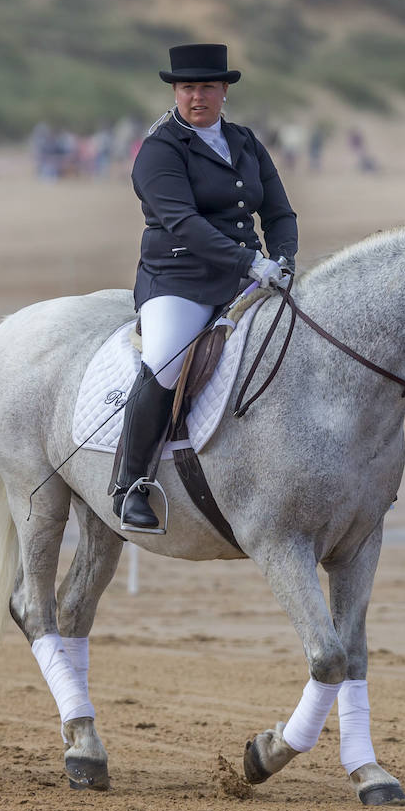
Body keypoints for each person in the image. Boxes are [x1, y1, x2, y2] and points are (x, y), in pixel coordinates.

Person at [115, 43, 297, 531]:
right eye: (188, 87)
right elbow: (182, 221)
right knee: (167, 362)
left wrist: (283, 257)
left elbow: (278, 211)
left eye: (207, 87)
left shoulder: (244, 141)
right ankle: (129, 484)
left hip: (249, 275)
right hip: (180, 280)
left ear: (224, 91)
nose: (198, 96)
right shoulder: (158, 151)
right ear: (176, 91)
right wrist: (250, 261)